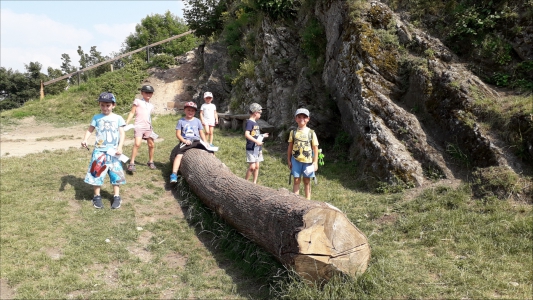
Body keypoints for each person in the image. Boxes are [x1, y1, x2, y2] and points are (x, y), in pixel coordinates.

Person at [81, 92, 126, 209]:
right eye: (102, 105)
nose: (105, 108)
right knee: (97, 173)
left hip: (114, 152)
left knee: (116, 174)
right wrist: (85, 139)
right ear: (99, 105)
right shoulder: (96, 118)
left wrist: (120, 147)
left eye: (108, 105)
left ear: (113, 105)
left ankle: (116, 196)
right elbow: (90, 129)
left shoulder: (118, 118)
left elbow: (122, 133)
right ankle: (97, 196)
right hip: (99, 151)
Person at [170, 102, 211, 183]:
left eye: (192, 111)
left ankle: (214, 167)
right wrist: (184, 140)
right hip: (186, 141)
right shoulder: (181, 121)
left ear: (195, 112)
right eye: (188, 110)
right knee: (178, 155)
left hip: (196, 140)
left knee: (210, 151)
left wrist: (205, 142)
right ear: (184, 110)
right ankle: (174, 174)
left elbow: (201, 132)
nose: (190, 112)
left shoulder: (197, 121)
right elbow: (178, 134)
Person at [287, 108, 319, 200]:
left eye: (304, 117)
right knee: (296, 180)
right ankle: (296, 200)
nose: (302, 119)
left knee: (307, 180)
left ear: (308, 119)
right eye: (299, 117)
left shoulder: (311, 133)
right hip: (296, 160)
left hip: (308, 161)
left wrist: (315, 162)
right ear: (295, 119)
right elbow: (290, 147)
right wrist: (289, 160)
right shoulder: (293, 133)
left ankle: (307, 200)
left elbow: (315, 148)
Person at [125, 85, 156, 172]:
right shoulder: (137, 101)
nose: (148, 94)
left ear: (152, 94)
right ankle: (131, 163)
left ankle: (150, 161)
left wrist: (151, 127)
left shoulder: (151, 105)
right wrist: (127, 122)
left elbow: (148, 116)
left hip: (148, 127)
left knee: (151, 145)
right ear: (142, 93)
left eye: (150, 92)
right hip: (139, 126)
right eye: (146, 92)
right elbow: (132, 112)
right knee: (137, 144)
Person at [244, 103, 269, 184]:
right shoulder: (250, 122)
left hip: (257, 148)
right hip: (251, 148)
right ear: (255, 113)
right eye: (260, 113)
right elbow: (247, 134)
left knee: (257, 166)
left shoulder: (255, 123)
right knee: (252, 167)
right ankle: (245, 183)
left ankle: (254, 183)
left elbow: (255, 135)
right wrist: (257, 142)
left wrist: (262, 135)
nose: (261, 114)